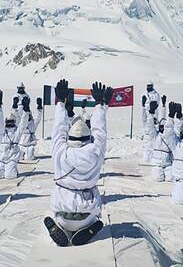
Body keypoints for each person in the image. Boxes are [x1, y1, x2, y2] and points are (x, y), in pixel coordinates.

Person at [44, 79, 111, 247]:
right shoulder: (96, 153)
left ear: (69, 137)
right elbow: (100, 131)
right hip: (87, 215)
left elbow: (58, 129)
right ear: (89, 138)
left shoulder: (60, 152)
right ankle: (89, 228)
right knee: (92, 217)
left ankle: (59, 226)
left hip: (61, 214)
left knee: (58, 213)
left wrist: (60, 103)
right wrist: (101, 105)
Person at [0, 97, 30, 179]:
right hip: (1, 157)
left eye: (11, 122)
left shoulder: (16, 132)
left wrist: (26, 112)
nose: (9, 123)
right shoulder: (2, 132)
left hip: (11, 157)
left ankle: (13, 170)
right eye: (8, 122)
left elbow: (23, 124)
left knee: (10, 176)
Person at [144, 100, 175, 182]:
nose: (162, 128)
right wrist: (151, 113)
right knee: (157, 178)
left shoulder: (170, 136)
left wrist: (171, 116)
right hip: (157, 163)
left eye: (164, 127)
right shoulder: (155, 136)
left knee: (171, 178)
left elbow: (172, 128)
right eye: (161, 126)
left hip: (168, 163)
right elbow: (150, 126)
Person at [141, 83, 162, 162]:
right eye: (147, 86)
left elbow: (157, 103)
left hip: (153, 114)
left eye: (150, 86)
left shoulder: (156, 94)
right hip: (146, 114)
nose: (148, 88)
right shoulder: (144, 94)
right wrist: (143, 105)